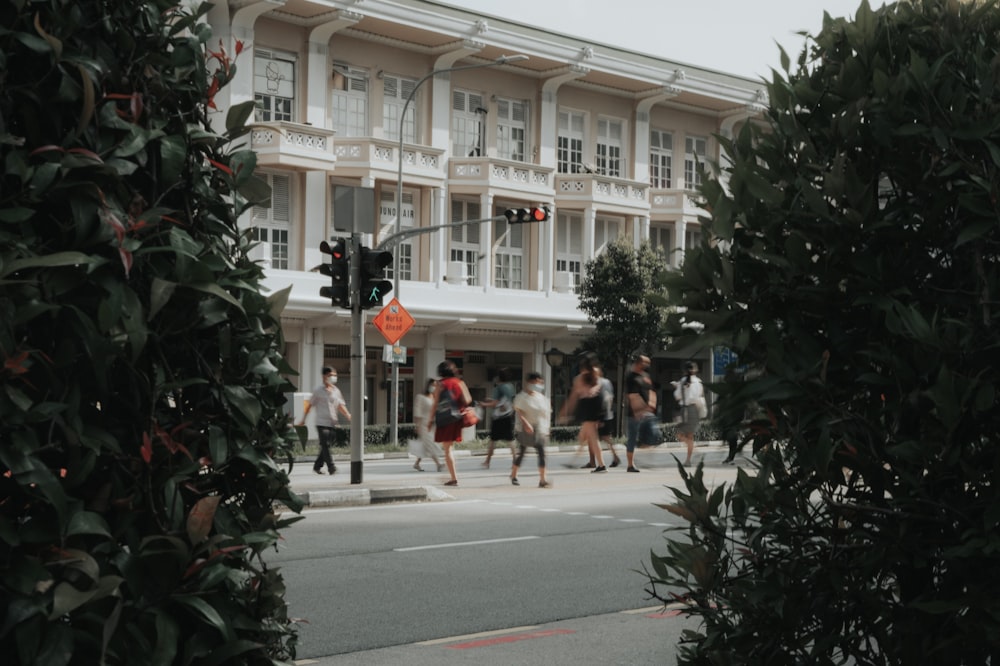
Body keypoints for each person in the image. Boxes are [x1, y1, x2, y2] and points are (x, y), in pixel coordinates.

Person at [559, 352, 608, 473]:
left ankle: (601, 465)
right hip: (597, 405)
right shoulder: (596, 373)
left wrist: (564, 412)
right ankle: (575, 461)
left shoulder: (579, 378)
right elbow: (600, 389)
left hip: (587, 406)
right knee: (584, 435)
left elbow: (573, 398)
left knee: (591, 437)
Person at [297, 366, 351, 475]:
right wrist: (303, 419)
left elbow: (340, 406)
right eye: (331, 375)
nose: (333, 377)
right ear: (324, 376)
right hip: (321, 423)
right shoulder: (318, 391)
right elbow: (309, 405)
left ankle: (317, 466)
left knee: (326, 445)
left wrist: (348, 415)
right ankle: (331, 467)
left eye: (335, 375)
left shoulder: (336, 391)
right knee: (325, 444)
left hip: (333, 423)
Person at [428, 360, 473, 487]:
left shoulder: (440, 384)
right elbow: (468, 400)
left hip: (445, 419)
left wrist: (430, 420)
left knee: (447, 449)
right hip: (456, 418)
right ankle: (453, 477)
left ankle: (454, 478)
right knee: (450, 448)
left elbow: (435, 403)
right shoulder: (460, 382)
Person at [510, 371, 552, 488]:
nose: (538, 385)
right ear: (529, 382)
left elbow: (546, 414)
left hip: (540, 428)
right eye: (535, 382)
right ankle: (513, 475)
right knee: (522, 453)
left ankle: (542, 480)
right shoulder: (521, 397)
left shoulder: (542, 398)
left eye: (539, 382)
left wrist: (547, 429)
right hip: (525, 428)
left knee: (541, 452)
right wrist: (526, 423)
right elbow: (519, 412)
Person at [625, 354, 659, 472]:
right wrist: (638, 411)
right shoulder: (631, 378)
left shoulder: (645, 376)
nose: (647, 366)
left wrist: (651, 404)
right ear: (639, 363)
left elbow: (652, 390)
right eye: (645, 363)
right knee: (632, 438)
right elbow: (632, 396)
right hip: (635, 414)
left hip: (647, 413)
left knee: (653, 435)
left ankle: (642, 458)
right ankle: (630, 465)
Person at [581, 371, 621, 468]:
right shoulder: (607, 382)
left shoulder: (597, 383)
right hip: (606, 413)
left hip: (599, 415)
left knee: (596, 438)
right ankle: (613, 457)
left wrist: (600, 416)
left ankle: (594, 462)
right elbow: (610, 398)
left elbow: (601, 398)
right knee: (605, 437)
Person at [480, 367, 516, 469]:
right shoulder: (510, 387)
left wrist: (484, 404)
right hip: (508, 416)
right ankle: (514, 461)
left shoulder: (498, 388)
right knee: (510, 439)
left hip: (498, 417)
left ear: (499, 377)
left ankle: (487, 461)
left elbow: (495, 403)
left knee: (493, 440)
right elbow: (504, 400)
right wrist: (490, 400)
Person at [672, 361, 704, 466]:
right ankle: (688, 460)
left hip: (684, 409)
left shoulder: (682, 381)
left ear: (685, 371)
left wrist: (677, 387)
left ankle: (691, 454)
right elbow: (699, 396)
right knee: (690, 436)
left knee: (679, 434)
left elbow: (677, 396)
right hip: (694, 409)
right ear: (696, 370)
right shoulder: (699, 382)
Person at [411, 378, 444, 472]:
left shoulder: (434, 398)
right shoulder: (420, 397)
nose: (434, 387)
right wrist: (417, 425)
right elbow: (417, 412)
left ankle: (417, 463)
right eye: (432, 385)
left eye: (435, 386)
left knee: (425, 445)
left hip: (433, 425)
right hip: (424, 425)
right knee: (430, 444)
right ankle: (438, 464)